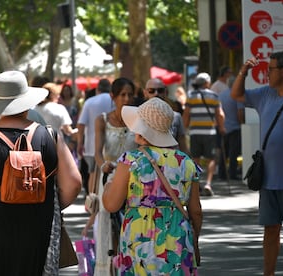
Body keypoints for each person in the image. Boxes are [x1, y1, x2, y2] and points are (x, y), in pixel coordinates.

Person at [0, 70, 82, 275]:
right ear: (27, 102)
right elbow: (73, 183)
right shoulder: (50, 136)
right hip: (40, 227)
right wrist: (45, 200)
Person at [102, 97, 202, 275]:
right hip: (178, 237)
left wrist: (108, 185)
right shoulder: (186, 162)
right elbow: (196, 211)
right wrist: (195, 240)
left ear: (140, 131)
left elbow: (111, 204)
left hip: (139, 237)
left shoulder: (130, 161)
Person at [231, 51, 283, 276]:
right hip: (268, 179)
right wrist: (243, 72)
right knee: (271, 229)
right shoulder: (265, 94)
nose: (266, 74)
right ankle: (269, 273)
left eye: (271, 70)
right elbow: (237, 95)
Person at [83, 77, 138, 275]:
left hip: (135, 179)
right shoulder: (103, 120)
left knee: (132, 226)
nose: (126, 98)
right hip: (109, 178)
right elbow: (97, 152)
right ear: (113, 97)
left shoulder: (139, 119)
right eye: (122, 94)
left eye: (130, 95)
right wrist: (102, 164)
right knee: (107, 227)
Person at [183, 73, 225, 196]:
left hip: (195, 132)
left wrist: (184, 129)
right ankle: (208, 183)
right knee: (211, 158)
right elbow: (220, 115)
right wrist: (222, 128)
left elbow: (186, 114)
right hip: (209, 132)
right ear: (207, 83)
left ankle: (197, 184)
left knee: (195, 158)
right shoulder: (214, 96)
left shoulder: (191, 95)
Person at [77, 79, 113, 195]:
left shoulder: (89, 102)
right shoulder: (114, 100)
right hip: (112, 144)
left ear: (97, 89)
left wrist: (80, 143)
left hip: (91, 145)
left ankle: (92, 203)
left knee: (93, 173)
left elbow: (81, 123)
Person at [144, 78, 188, 153]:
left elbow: (182, 145)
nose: (156, 94)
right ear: (145, 93)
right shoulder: (139, 116)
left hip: (172, 161)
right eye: (151, 91)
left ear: (165, 92)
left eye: (160, 90)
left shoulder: (176, 117)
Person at [218, 84, 244, 180]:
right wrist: (242, 124)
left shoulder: (221, 95)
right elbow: (240, 112)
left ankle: (222, 174)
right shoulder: (237, 95)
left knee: (224, 152)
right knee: (234, 152)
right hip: (235, 127)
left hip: (224, 127)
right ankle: (232, 173)